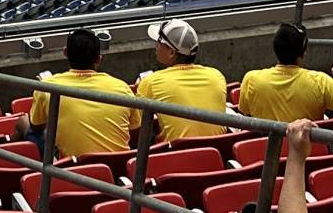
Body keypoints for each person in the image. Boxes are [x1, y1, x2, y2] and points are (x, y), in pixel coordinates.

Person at [26, 27, 137, 159]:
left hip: (73, 169)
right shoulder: (122, 87)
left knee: (24, 123)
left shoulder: (47, 87)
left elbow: (36, 126)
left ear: (65, 52)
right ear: (98, 59)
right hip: (119, 168)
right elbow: (136, 134)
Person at [239, 23, 333, 122]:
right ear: (303, 52)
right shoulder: (321, 82)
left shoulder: (251, 79)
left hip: (266, 157)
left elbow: (245, 115)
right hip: (308, 155)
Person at [137, 17, 228, 138]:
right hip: (217, 154)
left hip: (174, 155)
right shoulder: (217, 76)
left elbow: (137, 124)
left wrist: (141, 86)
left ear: (171, 52)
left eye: (159, 41)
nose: (156, 46)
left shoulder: (151, 81)